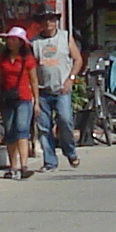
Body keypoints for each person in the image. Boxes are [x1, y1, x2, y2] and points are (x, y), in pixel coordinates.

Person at [33, 15, 84, 171]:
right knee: (44, 127)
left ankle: (70, 151)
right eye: (45, 20)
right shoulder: (34, 43)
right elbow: (32, 68)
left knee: (65, 120)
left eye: (51, 20)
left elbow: (78, 59)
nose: (48, 23)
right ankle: (50, 161)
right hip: (43, 90)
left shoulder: (65, 37)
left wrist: (71, 79)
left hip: (62, 89)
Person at [0, 27, 41, 179]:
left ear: (20, 42)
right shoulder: (3, 58)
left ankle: (24, 165)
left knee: (22, 129)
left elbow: (33, 80)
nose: (10, 42)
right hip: (7, 97)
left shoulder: (27, 59)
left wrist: (36, 101)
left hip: (23, 97)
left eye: (13, 39)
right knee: (9, 131)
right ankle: (13, 166)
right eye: (9, 39)